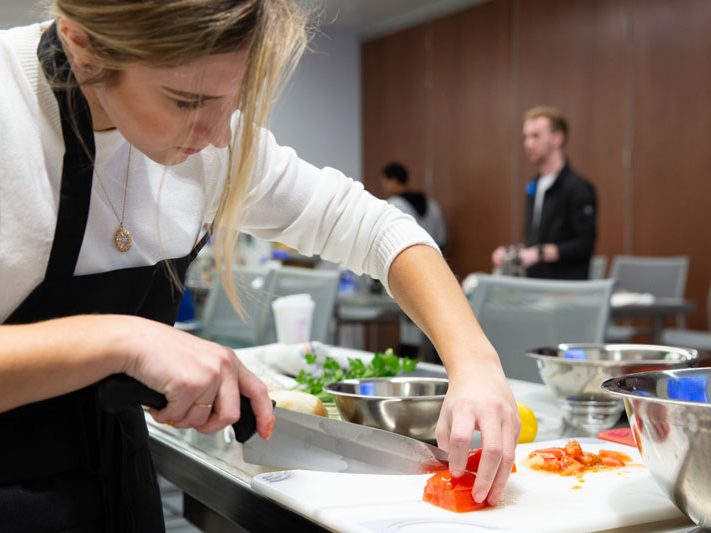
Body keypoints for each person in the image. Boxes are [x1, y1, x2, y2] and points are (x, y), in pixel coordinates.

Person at [0, 2, 518, 530]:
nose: (221, 137)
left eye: (236, 100)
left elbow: (377, 229)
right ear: (83, 45)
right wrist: (125, 343)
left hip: (118, 479)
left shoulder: (211, 142)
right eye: (188, 101)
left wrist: (475, 362)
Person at [492, 106, 597, 279]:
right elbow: (537, 242)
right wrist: (513, 252)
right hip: (535, 286)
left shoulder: (579, 188)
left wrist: (538, 254)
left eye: (536, 136)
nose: (528, 143)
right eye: (526, 137)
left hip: (564, 289)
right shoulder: (534, 185)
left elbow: (584, 245)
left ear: (557, 138)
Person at [380, 162, 447, 249]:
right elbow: (442, 238)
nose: (383, 187)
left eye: (384, 182)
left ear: (393, 181)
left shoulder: (392, 205)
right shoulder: (431, 204)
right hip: (434, 255)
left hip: (407, 257)